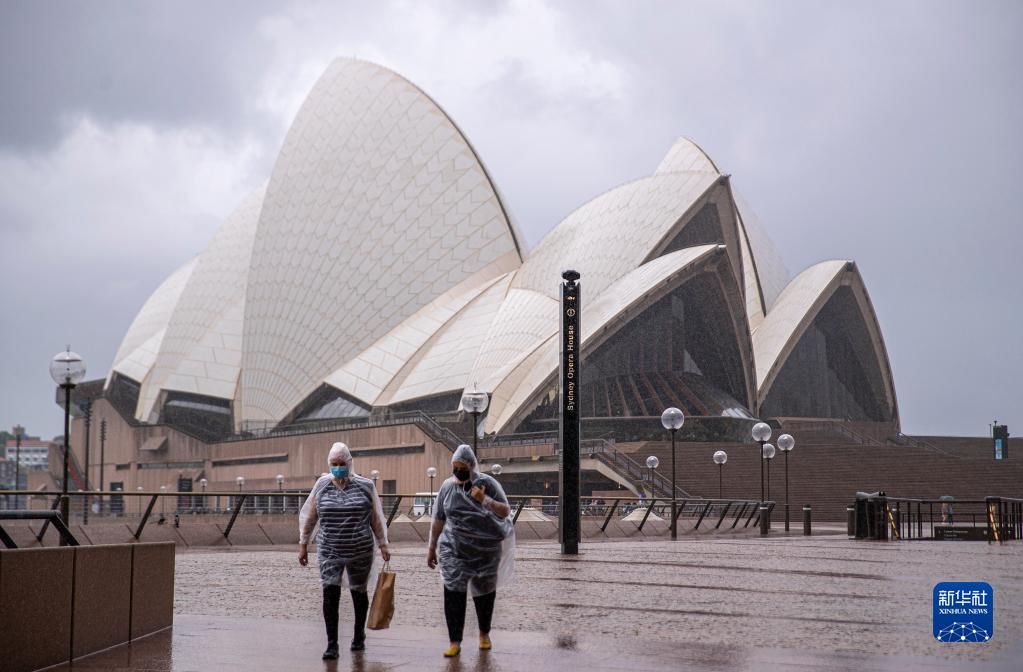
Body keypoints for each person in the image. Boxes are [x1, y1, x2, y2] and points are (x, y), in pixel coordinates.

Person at [299, 442, 390, 659]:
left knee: (359, 592)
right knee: (330, 593)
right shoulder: (322, 486)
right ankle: (332, 644)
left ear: (350, 463)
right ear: (329, 464)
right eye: (334, 464)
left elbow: (376, 518)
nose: (338, 467)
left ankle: (359, 636)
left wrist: (383, 544)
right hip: (329, 550)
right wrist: (303, 544)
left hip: (360, 550)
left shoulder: (365, 486)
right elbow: (311, 517)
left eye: (342, 463)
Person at [427, 444, 515, 657]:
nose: (458, 471)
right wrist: (431, 547)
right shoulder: (447, 487)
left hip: (485, 551)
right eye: (454, 466)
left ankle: (484, 634)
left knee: (484, 594)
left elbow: (505, 511)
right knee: (453, 594)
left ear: (471, 466)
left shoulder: (488, 483)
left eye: (462, 466)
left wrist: (484, 499)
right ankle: (454, 641)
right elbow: (438, 519)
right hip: (454, 551)